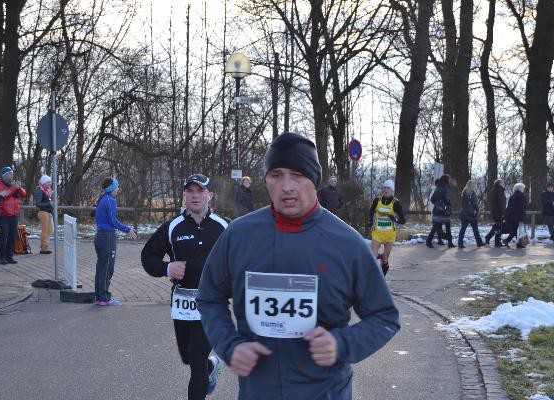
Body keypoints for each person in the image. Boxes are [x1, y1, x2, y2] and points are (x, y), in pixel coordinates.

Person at [196, 132, 400, 399]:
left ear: (314, 180)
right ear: (266, 180)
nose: (287, 186)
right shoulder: (238, 236)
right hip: (258, 392)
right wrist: (230, 345)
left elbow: (385, 318)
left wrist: (341, 344)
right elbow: (209, 297)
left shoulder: (347, 244)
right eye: (276, 175)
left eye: (298, 175)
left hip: (326, 392)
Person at [141, 174, 226, 400]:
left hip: (211, 305)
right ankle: (211, 366)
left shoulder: (223, 227)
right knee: (188, 356)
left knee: (196, 360)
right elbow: (148, 256)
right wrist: (167, 268)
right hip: (183, 302)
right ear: (184, 195)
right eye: (190, 191)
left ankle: (203, 369)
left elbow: (240, 258)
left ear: (209, 195)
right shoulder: (172, 227)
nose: (195, 195)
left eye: (200, 191)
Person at [94, 177, 137, 306]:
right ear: (112, 188)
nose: (118, 189)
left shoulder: (104, 198)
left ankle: (99, 297)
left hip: (101, 236)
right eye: (117, 186)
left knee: (101, 268)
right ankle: (104, 298)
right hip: (106, 237)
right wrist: (127, 229)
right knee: (107, 268)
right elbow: (113, 221)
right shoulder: (110, 200)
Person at [368, 179, 406, 275]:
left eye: (388, 188)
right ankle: (374, 276)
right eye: (384, 187)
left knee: (385, 259)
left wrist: (395, 219)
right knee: (373, 256)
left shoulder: (395, 203)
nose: (385, 189)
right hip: (377, 232)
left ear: (392, 190)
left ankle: (383, 276)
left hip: (389, 234)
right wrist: (370, 221)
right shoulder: (377, 200)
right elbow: (371, 211)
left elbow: (403, 220)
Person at [0, 167, 26, 264]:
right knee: (3, 236)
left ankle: (9, 257)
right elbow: (5, 195)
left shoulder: (12, 185)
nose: (11, 176)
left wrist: (19, 187)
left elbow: (23, 194)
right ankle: (1, 258)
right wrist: (14, 187)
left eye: (12, 174)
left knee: (12, 236)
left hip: (14, 214)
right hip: (4, 214)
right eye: (9, 174)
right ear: (4, 175)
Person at [426, 174, 455, 248]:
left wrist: (437, 204)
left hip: (437, 210)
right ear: (446, 180)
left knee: (435, 227)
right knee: (448, 227)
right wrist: (449, 205)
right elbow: (447, 199)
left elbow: (432, 199)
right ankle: (450, 243)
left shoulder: (437, 188)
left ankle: (428, 241)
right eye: (448, 179)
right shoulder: (446, 188)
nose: (449, 181)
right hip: (444, 211)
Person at [457, 179, 484, 248]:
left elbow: (463, 204)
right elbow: (474, 204)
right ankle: (479, 242)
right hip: (472, 214)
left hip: (464, 214)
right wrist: (477, 210)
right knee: (475, 229)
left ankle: (460, 243)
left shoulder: (464, 192)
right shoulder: (472, 193)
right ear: (473, 186)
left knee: (463, 229)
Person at [503, 183, 527, 248]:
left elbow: (509, 207)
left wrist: (506, 216)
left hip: (511, 217)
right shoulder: (521, 196)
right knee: (517, 230)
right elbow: (522, 208)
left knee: (515, 230)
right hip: (518, 216)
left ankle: (518, 243)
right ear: (520, 189)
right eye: (523, 188)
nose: (523, 190)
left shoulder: (512, 196)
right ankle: (511, 241)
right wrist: (522, 218)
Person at [34, 175, 54, 254]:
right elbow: (38, 204)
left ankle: (45, 245)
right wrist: (49, 203)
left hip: (49, 212)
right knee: (45, 230)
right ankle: (44, 247)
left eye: (50, 182)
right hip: (43, 212)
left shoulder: (48, 191)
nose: (49, 184)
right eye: (48, 182)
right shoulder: (40, 190)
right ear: (43, 183)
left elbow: (50, 201)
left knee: (51, 230)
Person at [484, 179, 506, 247]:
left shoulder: (493, 190)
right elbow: (501, 203)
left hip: (494, 212)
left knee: (498, 227)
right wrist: (504, 212)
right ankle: (488, 237)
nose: (504, 184)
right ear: (499, 184)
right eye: (503, 183)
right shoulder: (500, 191)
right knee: (497, 227)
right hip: (499, 212)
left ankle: (497, 242)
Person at [427, 179, 445, 245]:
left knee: (439, 227)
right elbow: (432, 201)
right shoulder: (435, 191)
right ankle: (428, 241)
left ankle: (440, 240)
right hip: (435, 212)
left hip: (439, 211)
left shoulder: (440, 191)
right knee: (435, 227)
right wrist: (437, 207)